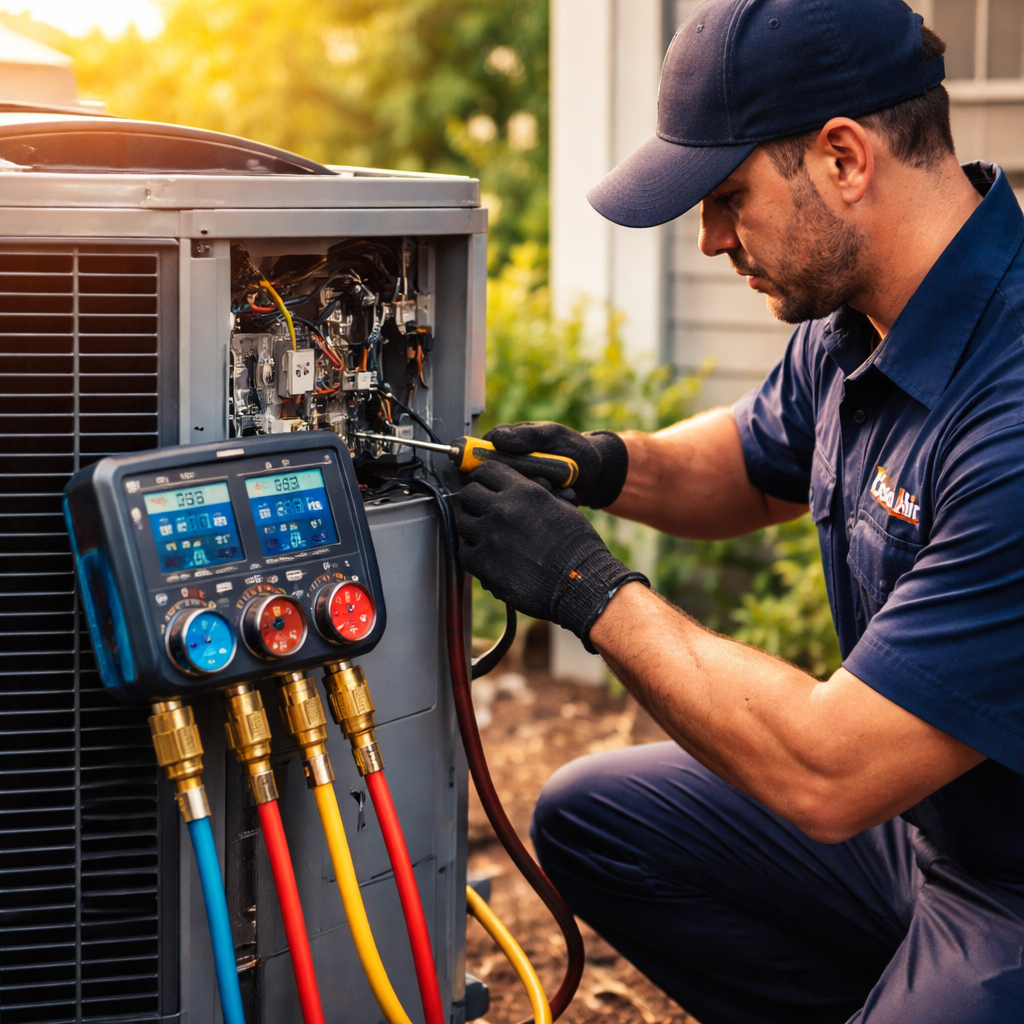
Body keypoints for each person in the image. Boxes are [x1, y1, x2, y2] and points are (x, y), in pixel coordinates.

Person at [455, 1, 1024, 1021]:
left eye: (726, 197)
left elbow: (831, 769)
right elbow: (752, 463)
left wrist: (587, 588)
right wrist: (602, 465)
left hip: (1008, 887)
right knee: (591, 819)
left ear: (843, 158)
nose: (710, 238)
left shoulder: (1011, 408)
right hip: (923, 833)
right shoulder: (865, 314)